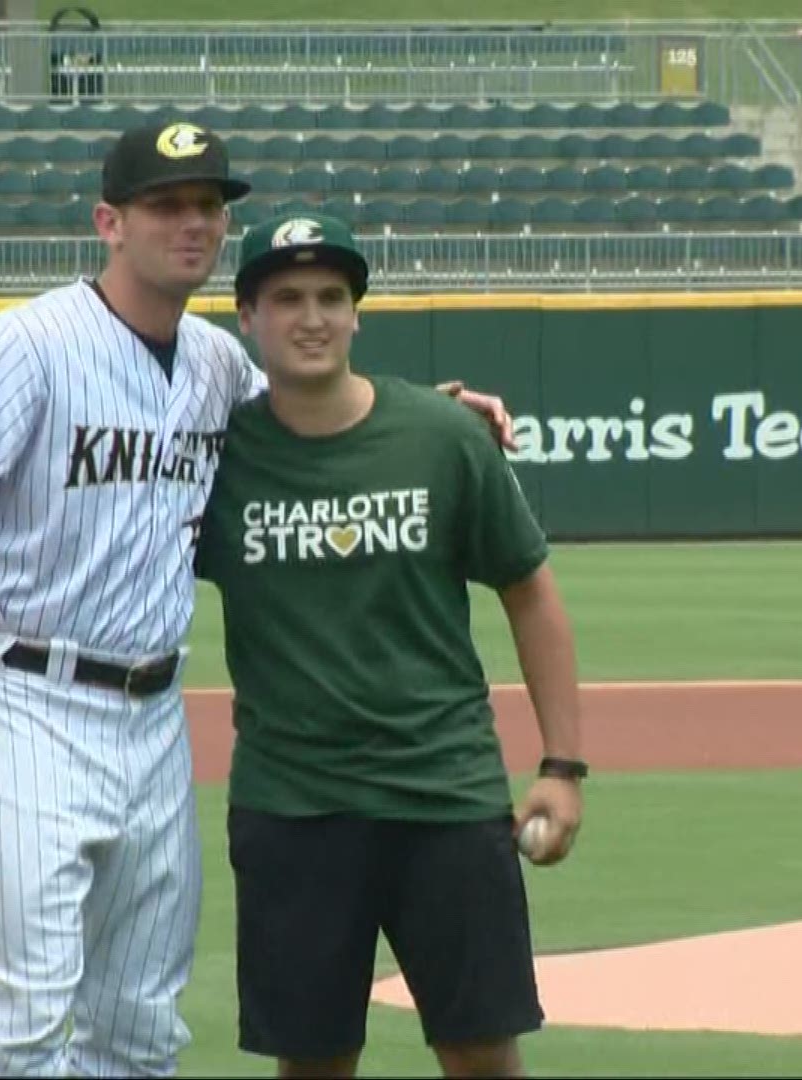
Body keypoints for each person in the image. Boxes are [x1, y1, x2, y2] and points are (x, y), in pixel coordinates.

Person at [0, 120, 515, 1079]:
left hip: (153, 721)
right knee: (27, 1021)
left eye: (208, 204)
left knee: (137, 1029)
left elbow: (315, 414)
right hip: (28, 699)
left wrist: (432, 410)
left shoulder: (217, 367)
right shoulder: (25, 344)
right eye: (166, 204)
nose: (193, 222)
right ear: (109, 223)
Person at [192, 212, 587, 1079]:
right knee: (314, 1062)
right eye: (286, 297)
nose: (312, 316)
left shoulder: (441, 439)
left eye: (332, 297)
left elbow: (531, 591)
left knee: (482, 1052)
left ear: (357, 315)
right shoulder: (216, 460)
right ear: (246, 317)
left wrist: (562, 764)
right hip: (293, 805)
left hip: (442, 795)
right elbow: (99, 539)